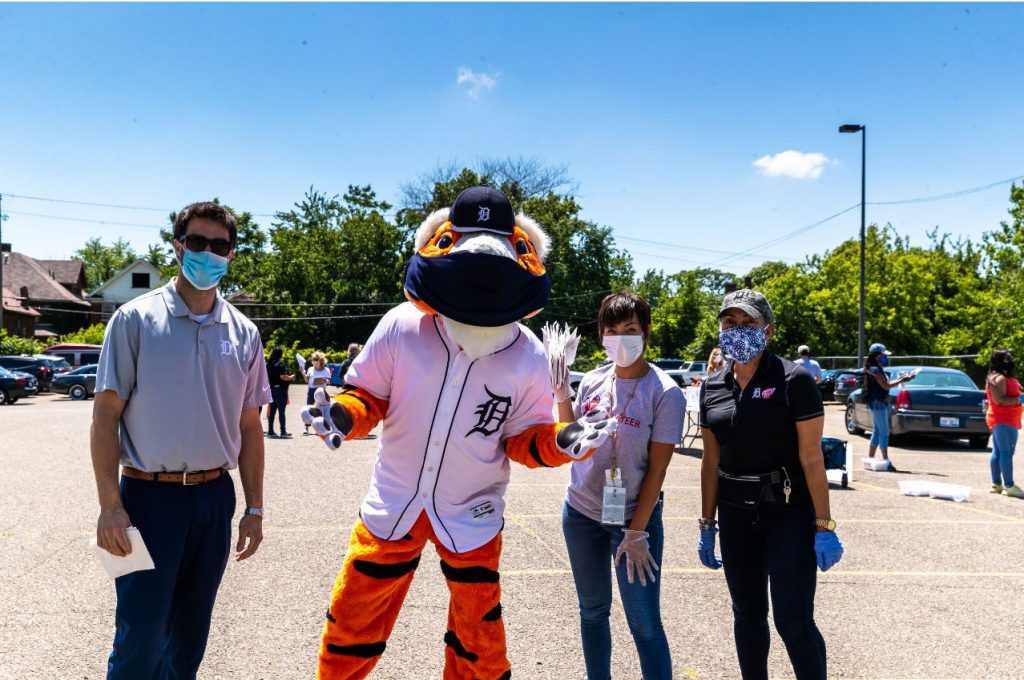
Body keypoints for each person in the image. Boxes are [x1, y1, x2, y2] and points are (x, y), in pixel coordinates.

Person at [301, 186, 616, 679]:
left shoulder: (529, 354)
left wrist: (559, 441)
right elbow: (367, 395)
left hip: (472, 512)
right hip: (394, 503)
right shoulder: (402, 325)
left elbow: (524, 438)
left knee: (479, 642)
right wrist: (342, 415)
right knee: (352, 626)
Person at [91, 201, 270, 678]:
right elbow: (105, 416)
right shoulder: (134, 320)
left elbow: (251, 427)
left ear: (232, 254)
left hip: (214, 500)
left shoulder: (245, 332)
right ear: (177, 246)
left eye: (219, 245)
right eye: (197, 242)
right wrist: (111, 506)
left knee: (189, 639)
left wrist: (254, 508)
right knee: (140, 637)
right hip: (146, 501)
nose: (207, 253)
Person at [697, 289, 843, 680]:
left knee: (792, 620)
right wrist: (706, 524)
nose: (738, 331)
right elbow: (711, 461)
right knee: (747, 616)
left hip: (787, 511)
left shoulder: (794, 379)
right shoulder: (711, 386)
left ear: (769, 330)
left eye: (748, 324)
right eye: (730, 323)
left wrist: (824, 526)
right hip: (733, 514)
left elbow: (812, 457)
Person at [556, 292, 684, 680]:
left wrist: (637, 532)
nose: (621, 338)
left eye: (630, 330)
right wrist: (562, 391)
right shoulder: (594, 381)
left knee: (644, 624)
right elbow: (570, 443)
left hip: (633, 521)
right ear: (601, 335)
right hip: (581, 513)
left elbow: (658, 470)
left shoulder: (664, 392)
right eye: (612, 331)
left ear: (645, 333)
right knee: (592, 612)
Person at [863, 343, 915, 470]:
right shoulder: (874, 369)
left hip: (878, 401)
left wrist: (902, 378)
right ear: (876, 355)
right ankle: (886, 460)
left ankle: (870, 459)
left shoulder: (875, 368)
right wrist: (903, 380)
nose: (885, 357)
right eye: (883, 355)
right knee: (884, 432)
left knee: (877, 431)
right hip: (878, 402)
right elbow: (885, 386)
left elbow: (886, 383)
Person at [985, 349, 1024, 498]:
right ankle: (1009, 486)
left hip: (1006, 418)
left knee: (999, 451)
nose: (1011, 361)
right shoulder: (998, 378)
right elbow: (999, 400)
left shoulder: (1000, 377)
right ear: (1000, 361)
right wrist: (1018, 400)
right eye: (1008, 359)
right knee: (1006, 452)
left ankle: (997, 484)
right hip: (1003, 419)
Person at [265, 347, 294, 438]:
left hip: (271, 390)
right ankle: (283, 431)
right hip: (281, 390)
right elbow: (283, 376)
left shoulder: (268, 365)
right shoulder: (280, 364)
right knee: (281, 411)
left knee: (272, 411)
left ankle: (270, 430)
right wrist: (291, 377)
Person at [304, 351, 333, 435]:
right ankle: (306, 428)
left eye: (315, 359)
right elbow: (307, 380)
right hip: (311, 390)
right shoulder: (310, 369)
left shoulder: (326, 370)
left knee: (320, 409)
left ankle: (319, 429)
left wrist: (325, 380)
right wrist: (303, 373)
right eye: (312, 359)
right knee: (308, 408)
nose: (314, 361)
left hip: (321, 391)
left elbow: (329, 381)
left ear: (320, 360)